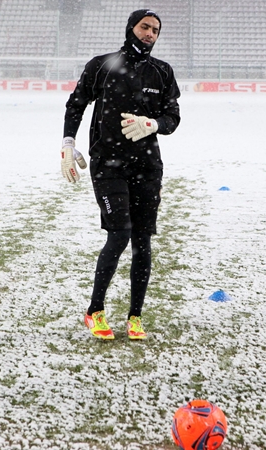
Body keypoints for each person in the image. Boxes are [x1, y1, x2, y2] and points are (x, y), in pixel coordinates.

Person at [61, 9, 181, 340]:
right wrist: (68, 143)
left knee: (143, 241)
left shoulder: (162, 72)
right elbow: (76, 104)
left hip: (147, 167)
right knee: (119, 234)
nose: (150, 33)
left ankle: (135, 317)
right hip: (108, 164)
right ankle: (95, 311)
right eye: (145, 27)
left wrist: (153, 124)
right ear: (131, 28)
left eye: (155, 30)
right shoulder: (102, 65)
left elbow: (172, 118)